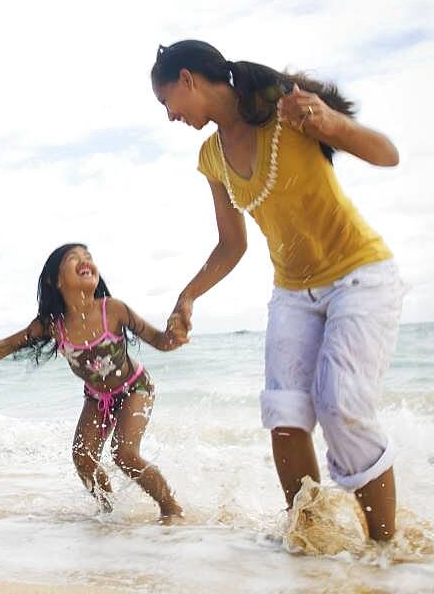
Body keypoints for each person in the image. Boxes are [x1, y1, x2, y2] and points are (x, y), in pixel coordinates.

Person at [150, 39, 406, 541]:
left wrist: (333, 125)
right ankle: (310, 540)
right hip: (292, 292)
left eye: (167, 103)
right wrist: (188, 296)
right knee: (284, 416)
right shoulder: (210, 156)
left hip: (360, 276)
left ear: (187, 80)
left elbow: (389, 155)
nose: (169, 116)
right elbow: (230, 245)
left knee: (341, 405)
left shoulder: (286, 112)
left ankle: (384, 553)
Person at [0, 244, 184, 521]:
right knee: (83, 458)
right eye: (74, 258)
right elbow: (6, 345)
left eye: (88, 257)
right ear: (55, 280)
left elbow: (160, 341)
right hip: (96, 397)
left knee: (124, 453)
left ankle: (171, 509)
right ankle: (110, 511)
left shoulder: (114, 310)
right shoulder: (53, 324)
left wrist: (175, 331)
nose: (85, 261)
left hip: (135, 388)